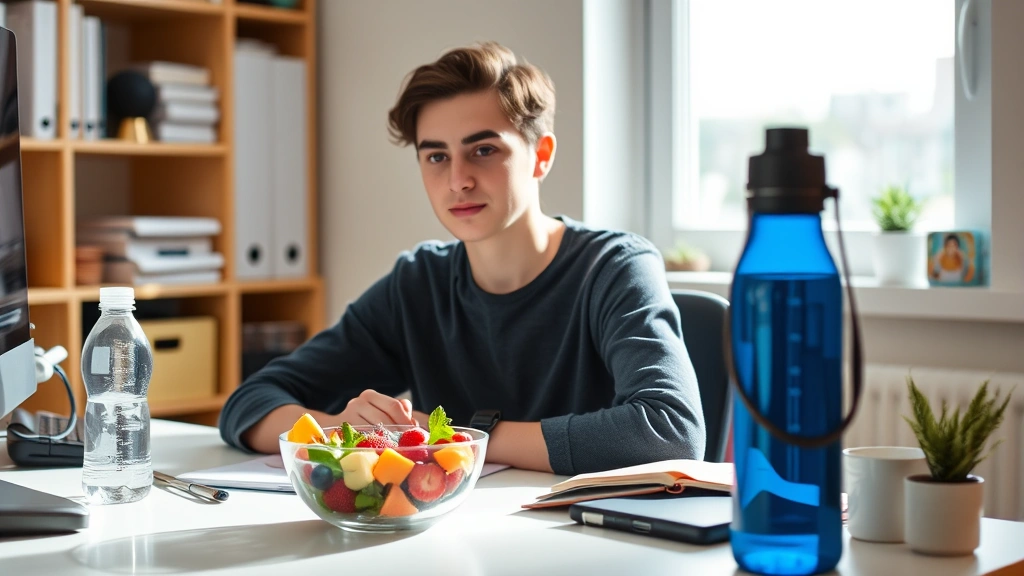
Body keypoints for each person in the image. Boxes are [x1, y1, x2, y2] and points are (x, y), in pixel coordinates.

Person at [218, 42, 706, 475]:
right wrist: (342, 432)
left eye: (484, 150)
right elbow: (248, 405)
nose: (458, 180)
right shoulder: (418, 282)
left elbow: (669, 430)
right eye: (436, 157)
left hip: (589, 539)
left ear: (541, 155)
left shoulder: (615, 267)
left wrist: (454, 441)